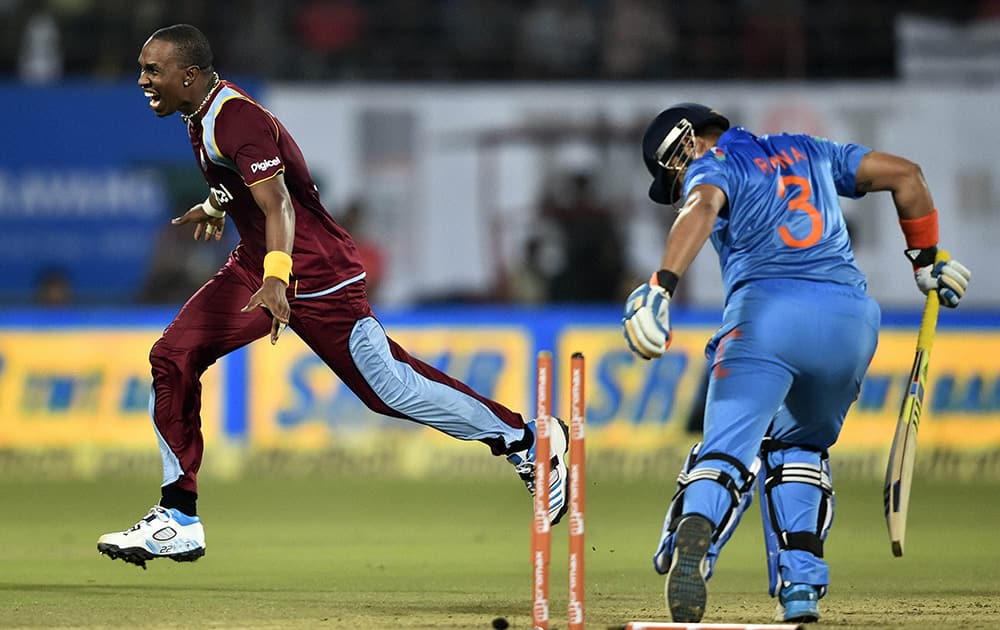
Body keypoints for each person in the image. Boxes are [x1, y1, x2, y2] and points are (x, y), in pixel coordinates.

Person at [96, 24, 569, 569]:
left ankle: (525, 438)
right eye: (141, 69)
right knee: (173, 356)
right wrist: (220, 202)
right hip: (261, 265)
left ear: (190, 74)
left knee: (389, 390)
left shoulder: (234, 118)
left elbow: (282, 207)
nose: (142, 81)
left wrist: (277, 277)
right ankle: (178, 517)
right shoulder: (202, 115)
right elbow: (258, 182)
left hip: (316, 274)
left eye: (152, 71)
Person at [622, 103, 971, 623]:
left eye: (670, 173)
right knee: (801, 446)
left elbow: (699, 206)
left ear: (688, 141)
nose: (675, 185)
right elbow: (907, 176)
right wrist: (926, 260)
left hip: (766, 318)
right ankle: (801, 586)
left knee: (724, 453)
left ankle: (698, 526)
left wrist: (662, 285)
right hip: (850, 323)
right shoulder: (810, 150)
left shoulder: (713, 163)